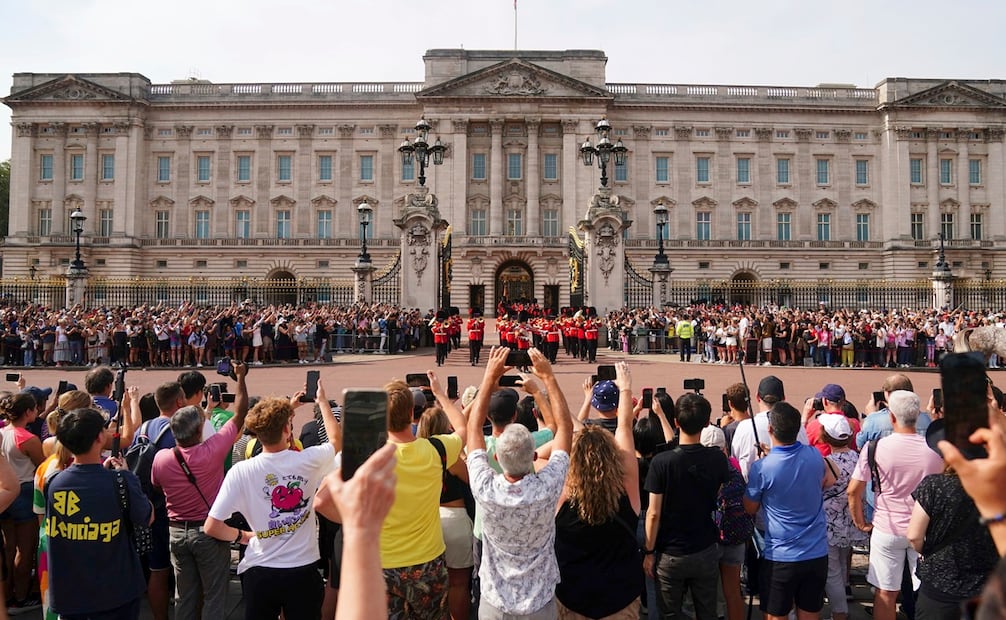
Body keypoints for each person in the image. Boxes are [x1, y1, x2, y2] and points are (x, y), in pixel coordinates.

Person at [204, 382, 339, 620]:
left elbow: (212, 526)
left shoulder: (242, 471)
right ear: (288, 429)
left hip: (260, 569)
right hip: (302, 569)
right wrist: (322, 402)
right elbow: (336, 440)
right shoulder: (306, 461)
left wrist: (243, 536)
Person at [467, 346, 572, 618]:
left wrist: (489, 378)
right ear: (534, 455)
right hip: (539, 602)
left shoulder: (485, 488)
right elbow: (564, 428)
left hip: (496, 602)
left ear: (497, 457)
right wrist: (548, 379)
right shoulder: (547, 487)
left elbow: (473, 429)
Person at [150, 362, 248, 620]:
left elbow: (157, 485)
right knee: (214, 596)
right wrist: (240, 378)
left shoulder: (162, 458)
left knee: (184, 595)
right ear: (198, 430)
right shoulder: (212, 450)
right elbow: (240, 414)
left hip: (175, 531)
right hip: (208, 531)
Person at [373, 372, 467, 618]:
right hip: (428, 560)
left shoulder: (371, 458)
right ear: (411, 412)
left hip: (385, 561)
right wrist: (440, 395)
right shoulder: (436, 449)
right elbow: (462, 428)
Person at [45, 408, 152, 619]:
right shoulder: (121, 480)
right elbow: (146, 516)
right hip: (115, 592)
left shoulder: (54, 482)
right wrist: (126, 478)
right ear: (100, 437)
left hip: (71, 594)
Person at [555, 361, 642, 618]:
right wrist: (625, 388)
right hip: (620, 600)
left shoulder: (563, 496)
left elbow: (563, 428)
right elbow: (624, 427)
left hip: (573, 599)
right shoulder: (626, 493)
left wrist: (547, 386)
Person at [848, 390, 944, 620]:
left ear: (891, 416)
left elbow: (853, 491)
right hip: (924, 529)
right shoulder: (934, 450)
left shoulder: (874, 448)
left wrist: (860, 522)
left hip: (887, 527)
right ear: (917, 415)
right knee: (926, 592)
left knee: (885, 593)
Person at [743, 401, 836, 620]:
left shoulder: (762, 468)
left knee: (776, 615)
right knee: (810, 614)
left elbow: (749, 507)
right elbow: (829, 476)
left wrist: (765, 465)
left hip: (780, 557)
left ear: (770, 429)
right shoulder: (814, 456)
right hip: (816, 554)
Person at [643, 392, 730, 619]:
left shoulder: (662, 462)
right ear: (707, 423)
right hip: (705, 547)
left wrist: (649, 551)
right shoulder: (717, 459)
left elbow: (653, 513)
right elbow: (718, 491)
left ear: (676, 422)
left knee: (670, 613)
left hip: (671, 552)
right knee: (707, 612)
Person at [415, 407, 474, 620]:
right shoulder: (448, 457)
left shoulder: (416, 456)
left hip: (428, 521)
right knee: (458, 583)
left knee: (433, 583)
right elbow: (472, 481)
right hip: (454, 519)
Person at [0, 392, 44, 613]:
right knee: (25, 550)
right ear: (28, 412)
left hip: (4, 491)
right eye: (35, 408)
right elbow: (42, 465)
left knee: (8, 549)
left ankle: (7, 596)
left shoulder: (2, 433)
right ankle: (20, 597)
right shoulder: (27, 438)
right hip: (24, 492)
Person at [819, 413, 863, 620]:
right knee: (843, 566)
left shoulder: (827, 463)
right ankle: (841, 609)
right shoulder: (859, 458)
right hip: (850, 521)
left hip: (829, 525)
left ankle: (839, 613)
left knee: (832, 573)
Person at [730, 376, 809, 479]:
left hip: (750, 485)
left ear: (757, 397)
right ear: (783, 399)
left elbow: (734, 462)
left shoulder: (744, 427)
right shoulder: (797, 425)